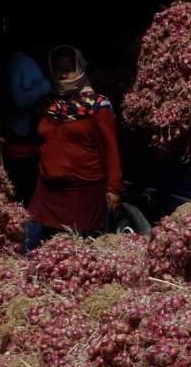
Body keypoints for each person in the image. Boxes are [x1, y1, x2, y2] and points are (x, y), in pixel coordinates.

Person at [23, 46, 123, 254]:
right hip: (47, 192)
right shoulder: (46, 106)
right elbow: (36, 143)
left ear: (80, 69)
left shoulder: (98, 106)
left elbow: (110, 149)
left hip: (83, 193)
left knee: (77, 253)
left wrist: (114, 187)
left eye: (68, 69)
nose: (63, 74)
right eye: (58, 69)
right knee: (31, 244)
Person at [0, 23, 51, 206]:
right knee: (24, 191)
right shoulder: (21, 63)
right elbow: (20, 99)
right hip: (19, 138)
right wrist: (47, 85)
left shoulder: (30, 62)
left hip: (29, 138)